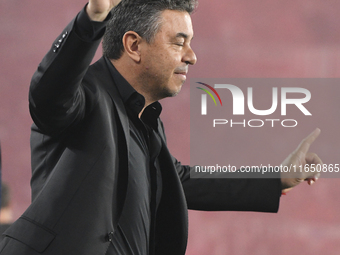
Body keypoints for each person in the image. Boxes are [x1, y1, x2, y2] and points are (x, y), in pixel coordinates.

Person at [0, 0, 322, 254]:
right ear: (134, 46)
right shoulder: (84, 98)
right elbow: (48, 97)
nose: (192, 56)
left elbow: (181, 179)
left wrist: (275, 178)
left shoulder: (146, 121)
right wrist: (92, 19)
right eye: (179, 42)